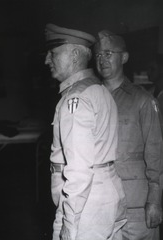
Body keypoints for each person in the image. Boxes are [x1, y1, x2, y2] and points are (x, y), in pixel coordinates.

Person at [45, 23, 127, 240]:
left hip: (86, 204)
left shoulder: (76, 98)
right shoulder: (98, 90)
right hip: (105, 193)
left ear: (74, 55)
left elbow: (79, 170)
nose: (46, 60)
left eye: (53, 53)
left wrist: (69, 223)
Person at [94, 30, 163, 240]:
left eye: (108, 53)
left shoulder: (142, 101)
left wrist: (154, 201)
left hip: (136, 206)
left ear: (124, 57)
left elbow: (156, 155)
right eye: (97, 55)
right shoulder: (90, 100)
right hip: (100, 204)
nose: (102, 60)